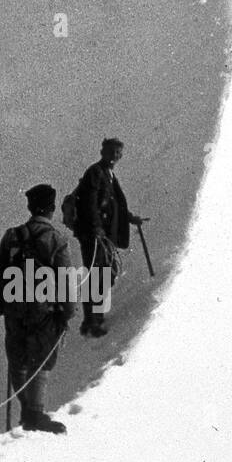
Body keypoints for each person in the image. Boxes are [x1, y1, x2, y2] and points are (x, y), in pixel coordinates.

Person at [0, 184, 76, 434]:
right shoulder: (57, 239)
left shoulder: (12, 236)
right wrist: (67, 312)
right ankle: (34, 413)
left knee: (18, 360)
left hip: (14, 308)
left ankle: (28, 412)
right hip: (44, 311)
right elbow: (66, 280)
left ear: (30, 207)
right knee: (42, 360)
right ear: (51, 209)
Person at [71, 137, 146, 337]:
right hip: (94, 237)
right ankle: (91, 322)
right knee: (96, 275)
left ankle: (95, 317)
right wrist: (96, 229)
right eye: (112, 152)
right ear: (103, 152)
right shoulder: (95, 173)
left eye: (118, 153)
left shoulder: (108, 174)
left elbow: (116, 205)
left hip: (103, 236)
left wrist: (130, 218)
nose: (115, 156)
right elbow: (89, 203)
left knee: (104, 274)